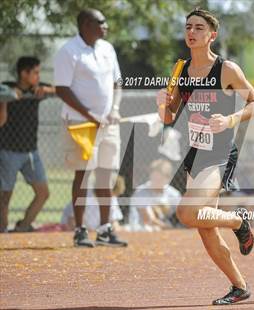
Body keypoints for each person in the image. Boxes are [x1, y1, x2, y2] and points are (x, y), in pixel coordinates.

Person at [156, 8, 254, 305]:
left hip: (219, 153)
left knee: (186, 213)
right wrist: (161, 104)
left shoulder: (226, 69)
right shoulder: (180, 69)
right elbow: (169, 115)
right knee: (205, 228)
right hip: (196, 152)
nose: (192, 32)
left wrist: (229, 120)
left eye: (199, 28)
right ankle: (239, 286)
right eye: (188, 26)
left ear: (211, 35)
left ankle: (240, 221)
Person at [54, 9, 127, 247]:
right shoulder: (68, 51)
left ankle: (105, 230)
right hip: (80, 124)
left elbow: (117, 82)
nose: (105, 26)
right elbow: (61, 89)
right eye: (101, 22)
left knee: (106, 175)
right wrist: (91, 115)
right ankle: (80, 230)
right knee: (83, 175)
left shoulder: (107, 48)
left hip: (108, 124)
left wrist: (114, 109)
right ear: (86, 24)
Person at [0, 57, 55, 233]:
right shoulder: (6, 87)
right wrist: (8, 98)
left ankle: (23, 226)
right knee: (4, 196)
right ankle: (2, 230)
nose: (39, 76)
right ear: (24, 73)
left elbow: (61, 91)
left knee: (43, 193)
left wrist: (45, 89)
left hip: (31, 151)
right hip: (8, 151)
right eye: (36, 73)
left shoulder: (37, 90)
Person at [129, 159, 181, 231]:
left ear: (168, 178)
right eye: (154, 178)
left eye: (160, 179)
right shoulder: (141, 192)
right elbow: (148, 220)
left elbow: (183, 214)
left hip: (164, 228)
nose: (156, 181)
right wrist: (173, 229)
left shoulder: (173, 194)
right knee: (150, 229)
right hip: (141, 229)